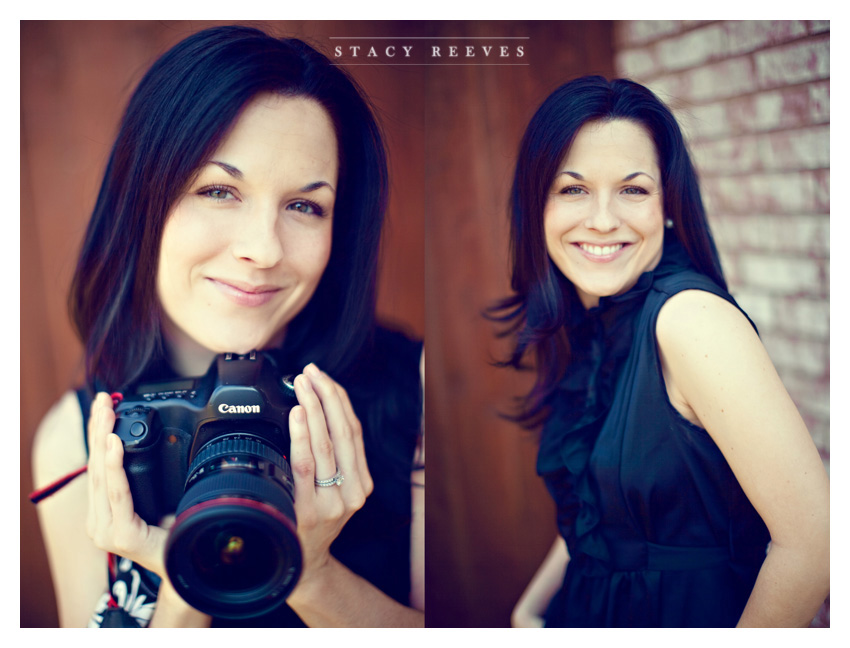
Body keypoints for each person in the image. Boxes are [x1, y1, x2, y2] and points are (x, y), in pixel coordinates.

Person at [31, 25, 424, 628]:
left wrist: (313, 574)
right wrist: (191, 577)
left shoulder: (415, 388)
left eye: (304, 205)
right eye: (219, 189)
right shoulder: (79, 439)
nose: (264, 249)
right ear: (144, 201)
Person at [490, 76, 829, 627]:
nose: (602, 220)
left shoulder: (689, 321)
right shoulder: (597, 318)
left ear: (667, 204)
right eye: (572, 188)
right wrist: (530, 610)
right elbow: (601, 506)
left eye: (633, 189)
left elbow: (815, 543)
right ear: (537, 205)